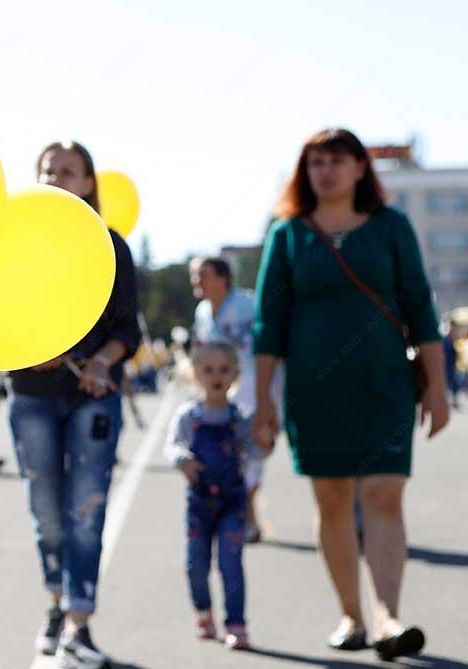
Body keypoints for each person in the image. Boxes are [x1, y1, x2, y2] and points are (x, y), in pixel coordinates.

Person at [252, 128, 449, 661]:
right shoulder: (288, 234)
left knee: (384, 494)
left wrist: (437, 386)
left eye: (338, 160)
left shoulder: (392, 228)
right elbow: (267, 324)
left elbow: (420, 309)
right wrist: (264, 400)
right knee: (332, 499)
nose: (326, 171)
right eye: (316, 162)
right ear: (304, 172)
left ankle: (387, 616)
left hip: (384, 385)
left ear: (361, 168)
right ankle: (351, 614)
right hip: (314, 392)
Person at [11, 141, 140, 667]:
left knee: (86, 511)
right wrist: (28, 350)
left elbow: (128, 326)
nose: (58, 177)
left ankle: (80, 623)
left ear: (89, 182)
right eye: (49, 169)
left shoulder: (111, 246)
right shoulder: (14, 245)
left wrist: (103, 362)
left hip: (94, 398)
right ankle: (57, 605)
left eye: (70, 171)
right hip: (32, 398)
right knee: (47, 515)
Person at [165, 342, 264, 651]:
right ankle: (204, 611)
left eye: (224, 370)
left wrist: (266, 440)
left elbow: (257, 451)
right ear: (195, 374)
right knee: (196, 564)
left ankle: (236, 622)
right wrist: (183, 459)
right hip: (198, 504)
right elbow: (172, 446)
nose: (216, 376)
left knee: (231, 564)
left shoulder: (240, 417)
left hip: (233, 503)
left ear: (235, 374)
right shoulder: (188, 416)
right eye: (208, 370)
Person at [190, 256, 270, 543]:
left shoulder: (250, 303)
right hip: (223, 394)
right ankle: (241, 515)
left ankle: (247, 514)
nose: (197, 281)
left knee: (253, 450)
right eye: (195, 276)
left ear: (223, 278)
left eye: (203, 275)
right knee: (233, 454)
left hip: (256, 387)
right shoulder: (202, 312)